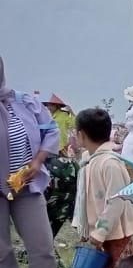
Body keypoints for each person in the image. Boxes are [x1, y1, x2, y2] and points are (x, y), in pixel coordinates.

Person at [0, 58, 60, 268]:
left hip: (26, 185)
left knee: (42, 247)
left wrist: (37, 162)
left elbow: (50, 130)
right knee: (1, 250)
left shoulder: (23, 102)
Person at [72, 108, 133, 268]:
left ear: (81, 135)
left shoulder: (110, 163)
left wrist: (100, 231)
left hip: (120, 234)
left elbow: (116, 201)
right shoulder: (89, 161)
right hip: (102, 235)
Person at [42, 94, 79, 239]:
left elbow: (74, 124)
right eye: (47, 106)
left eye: (50, 105)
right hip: (50, 150)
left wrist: (72, 112)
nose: (48, 108)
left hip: (60, 148)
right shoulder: (46, 117)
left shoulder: (63, 116)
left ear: (56, 106)